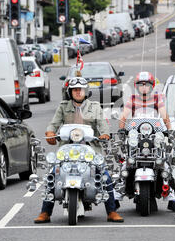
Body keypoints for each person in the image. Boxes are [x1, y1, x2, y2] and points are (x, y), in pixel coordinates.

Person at [34, 75, 124, 223]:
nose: (77, 92)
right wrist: (50, 133)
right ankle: (45, 212)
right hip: (67, 148)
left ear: (85, 91)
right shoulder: (63, 107)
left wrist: (105, 134)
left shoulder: (94, 107)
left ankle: (112, 211)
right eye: (74, 90)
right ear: (70, 92)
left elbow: (103, 125)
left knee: (104, 174)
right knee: (52, 173)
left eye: (80, 89)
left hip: (90, 148)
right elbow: (53, 124)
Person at [118, 71, 175, 212]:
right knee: (125, 163)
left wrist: (169, 130)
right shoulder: (132, 99)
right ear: (136, 86)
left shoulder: (157, 99)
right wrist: (121, 129)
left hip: (154, 137)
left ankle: (171, 199)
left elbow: (164, 116)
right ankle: (117, 195)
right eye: (141, 85)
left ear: (152, 86)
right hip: (136, 138)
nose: (144, 88)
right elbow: (123, 116)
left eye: (147, 85)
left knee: (165, 164)